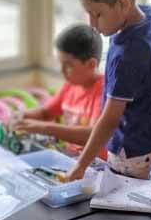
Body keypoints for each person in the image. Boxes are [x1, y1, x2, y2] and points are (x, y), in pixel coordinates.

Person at [65, 0, 151, 181]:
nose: (92, 24)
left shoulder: (126, 53)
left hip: (129, 149)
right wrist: (150, 100)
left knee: (122, 204)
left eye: (97, 14)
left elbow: (109, 120)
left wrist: (80, 166)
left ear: (123, 4)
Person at [15, 23, 104, 156]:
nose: (61, 70)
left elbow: (92, 135)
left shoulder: (105, 91)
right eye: (60, 63)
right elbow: (46, 113)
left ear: (91, 64)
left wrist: (43, 128)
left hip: (94, 164)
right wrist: (22, 117)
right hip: (70, 157)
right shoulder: (71, 84)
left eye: (68, 65)